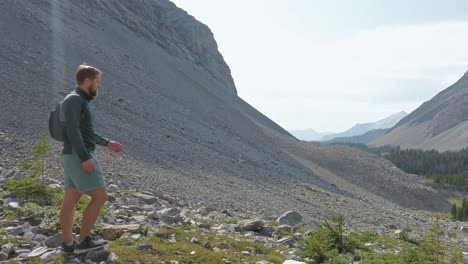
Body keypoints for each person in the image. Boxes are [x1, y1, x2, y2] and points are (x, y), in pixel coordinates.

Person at [59, 64, 124, 253]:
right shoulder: (74, 99)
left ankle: (67, 245)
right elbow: (72, 130)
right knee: (100, 196)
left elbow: (86, 132)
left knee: (71, 198)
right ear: (87, 81)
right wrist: (85, 157)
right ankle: (84, 242)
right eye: (97, 81)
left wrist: (106, 143)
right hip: (79, 154)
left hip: (73, 154)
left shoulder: (82, 101)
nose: (99, 86)